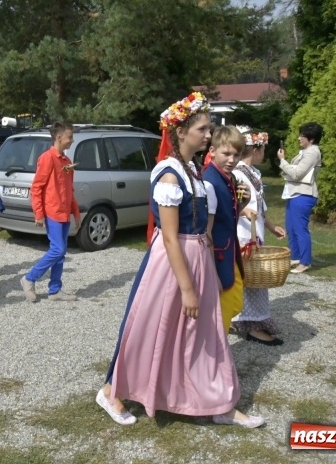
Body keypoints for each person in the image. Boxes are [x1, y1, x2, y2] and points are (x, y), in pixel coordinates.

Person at [97, 93, 263, 428]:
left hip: (198, 258)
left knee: (204, 332)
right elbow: (170, 236)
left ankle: (216, 402)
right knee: (150, 330)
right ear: (181, 131)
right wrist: (187, 287)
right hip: (173, 264)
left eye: (207, 128)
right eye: (202, 128)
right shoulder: (170, 174)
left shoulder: (191, 170)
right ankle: (112, 391)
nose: (207, 134)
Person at [231, 130, 287, 345]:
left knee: (253, 280)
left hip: (255, 232)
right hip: (243, 234)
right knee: (249, 281)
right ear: (255, 150)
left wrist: (271, 226)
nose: (264, 153)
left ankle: (245, 320)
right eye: (263, 149)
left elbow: (259, 206)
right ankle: (250, 325)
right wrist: (244, 212)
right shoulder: (237, 174)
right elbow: (234, 205)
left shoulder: (254, 172)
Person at [19, 122, 81, 302]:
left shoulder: (67, 162)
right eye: (70, 137)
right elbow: (37, 187)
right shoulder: (47, 158)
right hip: (53, 212)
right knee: (58, 249)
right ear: (59, 137)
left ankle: (55, 290)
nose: (72, 140)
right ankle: (29, 278)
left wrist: (75, 211)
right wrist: (38, 213)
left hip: (64, 212)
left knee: (61, 253)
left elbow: (70, 189)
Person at [204, 126, 247, 335]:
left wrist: (242, 202)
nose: (232, 159)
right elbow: (206, 230)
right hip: (218, 254)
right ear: (212, 151)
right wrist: (210, 268)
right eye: (226, 154)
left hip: (229, 251)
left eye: (236, 155)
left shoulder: (228, 177)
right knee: (222, 309)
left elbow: (230, 216)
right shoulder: (209, 180)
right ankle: (216, 359)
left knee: (235, 300)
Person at [277, 122, 323, 274]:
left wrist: (282, 161)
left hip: (304, 194)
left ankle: (305, 261)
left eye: (302, 136)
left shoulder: (312, 153)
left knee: (300, 228)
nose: (299, 138)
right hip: (295, 192)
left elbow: (297, 173)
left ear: (311, 138)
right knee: (291, 227)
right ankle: (296, 256)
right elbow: (292, 172)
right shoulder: (306, 151)